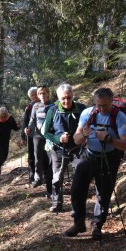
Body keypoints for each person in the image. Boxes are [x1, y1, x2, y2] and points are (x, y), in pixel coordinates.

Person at [65, 87, 126, 240]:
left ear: (112, 101)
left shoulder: (119, 117)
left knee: (103, 193)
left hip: (109, 158)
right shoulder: (87, 114)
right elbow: (76, 139)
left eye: (105, 105)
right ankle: (79, 223)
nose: (101, 109)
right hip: (88, 155)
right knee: (76, 190)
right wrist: (83, 134)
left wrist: (109, 139)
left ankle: (97, 225)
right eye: (98, 105)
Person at [42, 83, 86, 213]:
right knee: (57, 177)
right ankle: (57, 203)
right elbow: (46, 132)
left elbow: (89, 124)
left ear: (73, 96)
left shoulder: (82, 108)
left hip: (77, 149)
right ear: (58, 98)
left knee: (79, 177)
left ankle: (77, 205)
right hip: (57, 150)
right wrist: (58, 139)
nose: (66, 101)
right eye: (63, 98)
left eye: (69, 97)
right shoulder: (53, 110)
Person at [27, 85, 54, 197]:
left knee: (49, 161)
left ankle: (50, 187)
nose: (42, 95)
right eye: (40, 94)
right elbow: (33, 120)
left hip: (50, 137)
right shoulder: (36, 106)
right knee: (37, 158)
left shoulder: (54, 106)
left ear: (48, 94)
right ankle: (38, 178)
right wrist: (28, 128)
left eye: (44, 93)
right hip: (37, 136)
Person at [0, 107, 20, 181]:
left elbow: (15, 128)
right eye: (1, 117)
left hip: (5, 141)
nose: (3, 119)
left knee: (4, 157)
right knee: (1, 157)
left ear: (7, 115)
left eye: (4, 117)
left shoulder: (10, 119)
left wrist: (19, 125)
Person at [20, 87, 39, 183]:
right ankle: (32, 172)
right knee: (31, 154)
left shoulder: (45, 104)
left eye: (36, 94)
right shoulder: (29, 107)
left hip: (43, 134)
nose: (34, 96)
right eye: (32, 95)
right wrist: (23, 136)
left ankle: (43, 172)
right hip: (31, 134)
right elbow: (25, 122)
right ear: (30, 97)